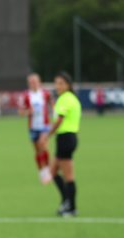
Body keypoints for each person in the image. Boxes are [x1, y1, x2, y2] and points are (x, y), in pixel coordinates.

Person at [48, 71, 81, 217]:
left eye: (61, 83)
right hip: (65, 138)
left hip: (66, 138)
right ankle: (65, 200)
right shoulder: (66, 98)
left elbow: (60, 119)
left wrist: (47, 135)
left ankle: (72, 207)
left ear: (68, 85)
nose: (58, 86)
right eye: (56, 83)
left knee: (69, 176)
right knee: (52, 171)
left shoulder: (66, 98)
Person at [20, 73, 53, 184]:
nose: (33, 84)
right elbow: (20, 112)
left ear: (39, 82)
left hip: (44, 126)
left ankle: (48, 170)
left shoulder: (45, 93)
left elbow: (53, 105)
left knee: (42, 146)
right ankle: (42, 172)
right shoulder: (26, 96)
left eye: (35, 81)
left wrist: (55, 113)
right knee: (37, 151)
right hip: (32, 127)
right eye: (31, 82)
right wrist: (28, 111)